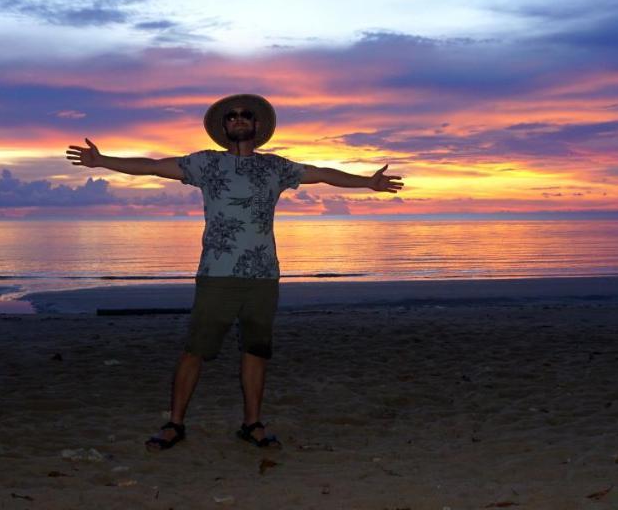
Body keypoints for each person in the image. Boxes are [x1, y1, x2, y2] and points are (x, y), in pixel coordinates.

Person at [65, 93, 403, 451]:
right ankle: (174, 424)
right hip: (217, 275)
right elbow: (151, 166)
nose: (239, 119)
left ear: (257, 126)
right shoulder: (206, 164)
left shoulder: (276, 167)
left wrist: (367, 182)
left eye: (245, 115)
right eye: (232, 116)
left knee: (256, 351)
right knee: (195, 350)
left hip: (263, 277)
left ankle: (252, 423)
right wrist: (102, 161)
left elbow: (321, 174)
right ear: (224, 127)